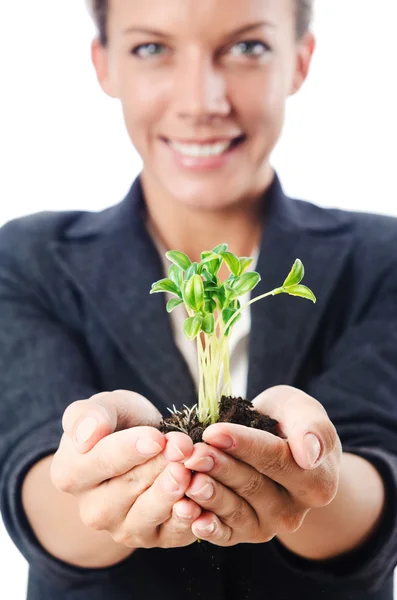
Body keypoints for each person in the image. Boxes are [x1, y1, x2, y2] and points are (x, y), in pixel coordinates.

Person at [0, 0, 397, 598]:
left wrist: (314, 476)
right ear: (103, 64)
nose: (201, 102)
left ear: (300, 59)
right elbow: (34, 481)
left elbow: (379, 471)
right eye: (152, 48)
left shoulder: (383, 257)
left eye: (246, 47)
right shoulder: (27, 256)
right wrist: (109, 471)